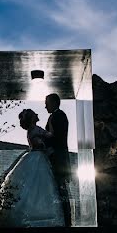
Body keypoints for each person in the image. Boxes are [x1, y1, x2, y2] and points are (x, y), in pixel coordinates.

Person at [0, 109, 65, 227]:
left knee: (29, 185)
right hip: (39, 158)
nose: (37, 114)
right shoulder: (36, 129)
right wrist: (52, 126)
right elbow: (50, 135)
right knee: (42, 185)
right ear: (32, 118)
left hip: (32, 156)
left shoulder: (30, 131)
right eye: (35, 114)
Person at [45, 93, 73, 225]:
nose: (45, 106)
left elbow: (57, 138)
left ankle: (66, 219)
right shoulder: (55, 116)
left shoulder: (59, 116)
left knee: (61, 188)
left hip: (59, 158)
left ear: (54, 102)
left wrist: (49, 148)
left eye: (47, 102)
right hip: (56, 157)